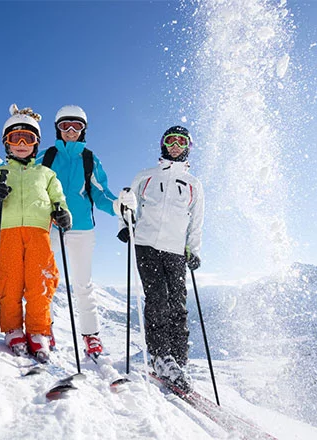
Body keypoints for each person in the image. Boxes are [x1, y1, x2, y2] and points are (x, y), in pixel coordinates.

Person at [0, 105, 73, 361]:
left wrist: (62, 213)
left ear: (36, 143)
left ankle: (39, 332)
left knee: (40, 282)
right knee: (9, 283)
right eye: (14, 138)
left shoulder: (46, 174)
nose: (20, 144)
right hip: (7, 234)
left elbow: (59, 200)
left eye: (27, 139)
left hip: (39, 234)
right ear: (6, 143)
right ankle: (13, 330)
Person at [117, 125, 204, 394]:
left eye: (181, 141)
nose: (175, 145)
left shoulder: (193, 184)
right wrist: (125, 222)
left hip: (176, 250)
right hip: (146, 244)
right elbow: (128, 204)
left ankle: (179, 359)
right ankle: (160, 356)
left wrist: (194, 249)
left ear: (188, 146)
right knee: (156, 299)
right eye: (171, 140)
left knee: (178, 303)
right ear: (163, 145)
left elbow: (197, 221)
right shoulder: (146, 176)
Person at [37, 105, 118, 360]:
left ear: (84, 130)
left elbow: (100, 193)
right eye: (65, 126)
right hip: (51, 225)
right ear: (57, 129)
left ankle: (91, 336)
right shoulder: (47, 156)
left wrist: (119, 206)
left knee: (83, 284)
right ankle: (43, 327)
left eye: (77, 126)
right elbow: (29, 181)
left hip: (81, 228)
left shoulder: (89, 159)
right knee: (45, 279)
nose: (70, 131)